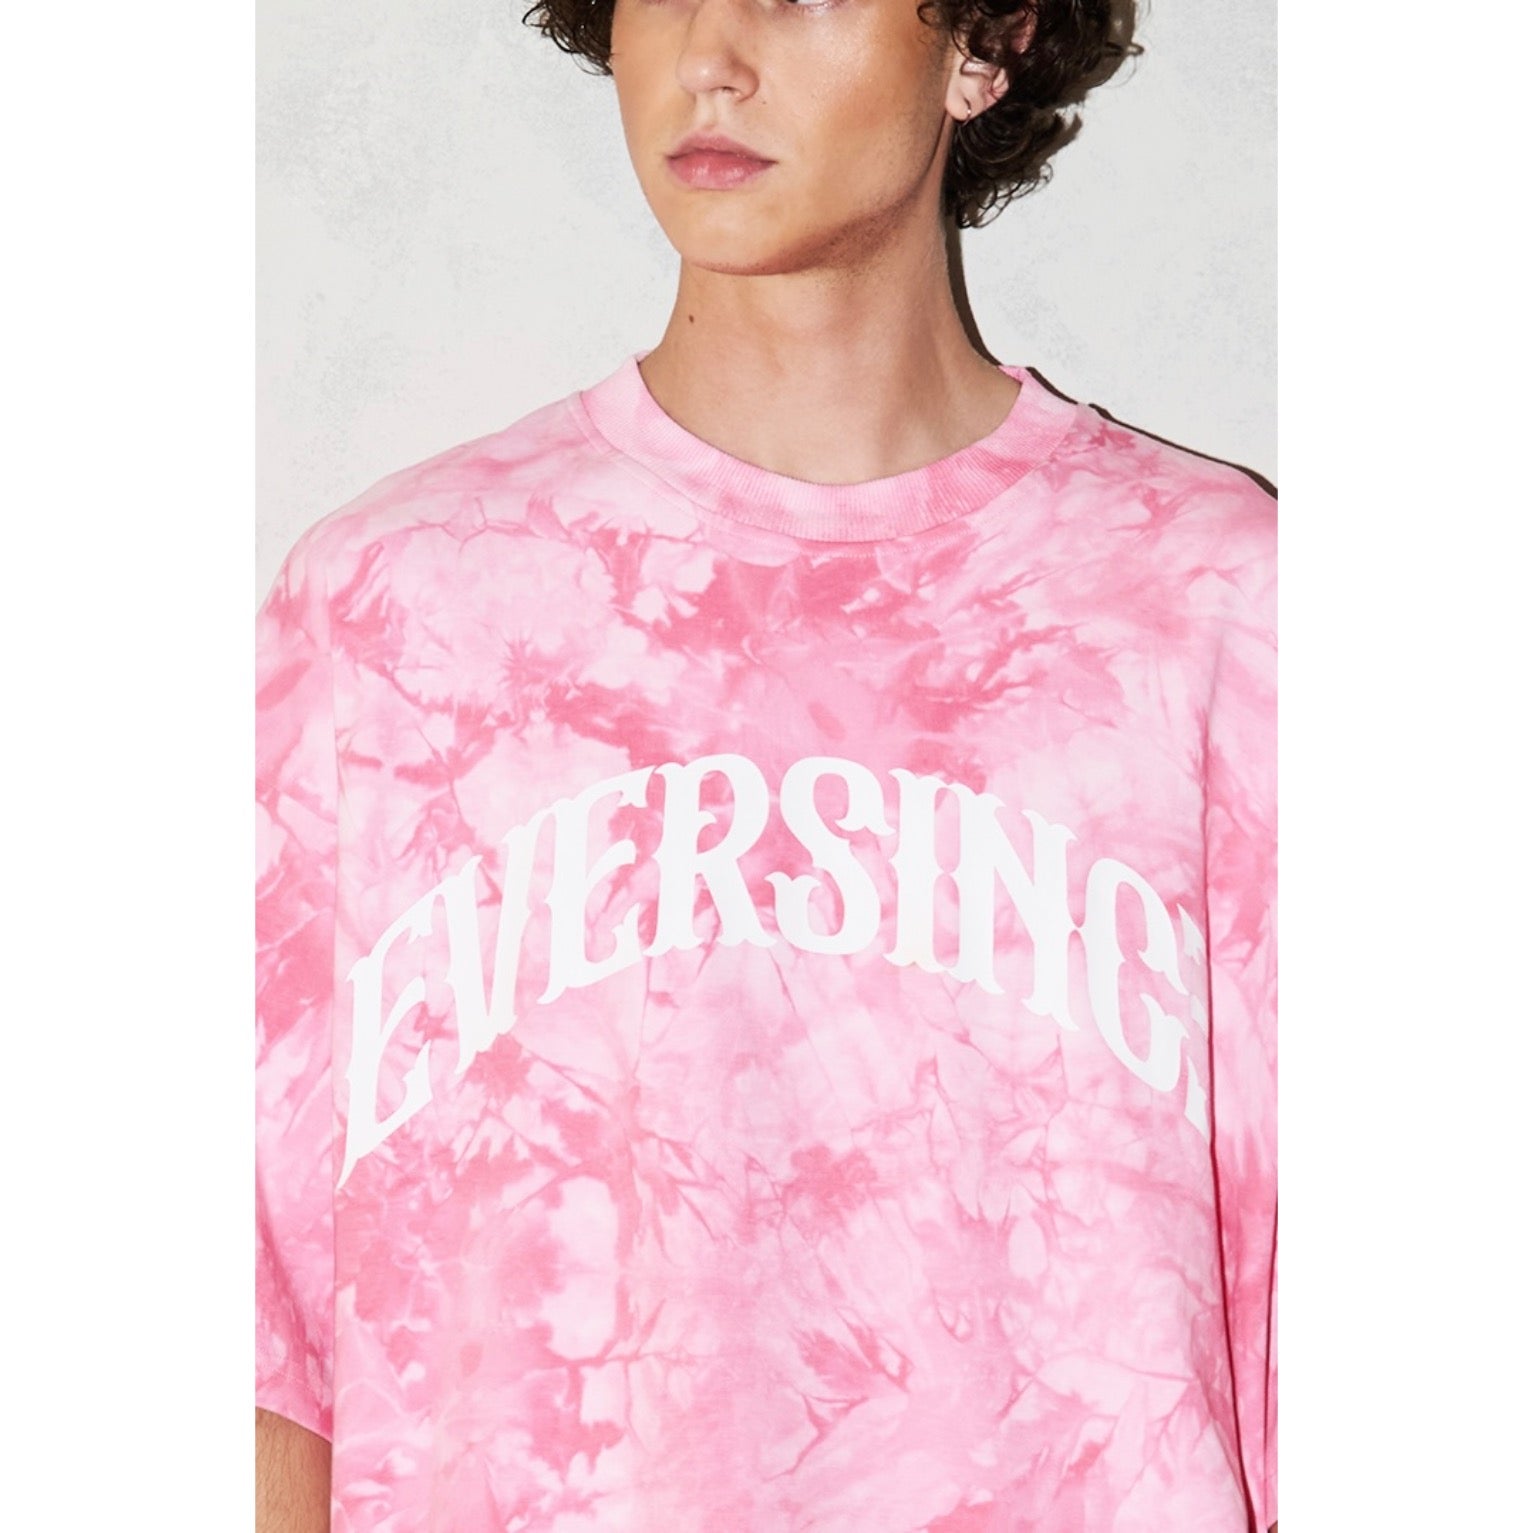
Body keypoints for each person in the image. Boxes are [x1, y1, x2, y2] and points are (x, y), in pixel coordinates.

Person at [256, 0, 1276, 1527]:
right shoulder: (398, 610)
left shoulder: (1212, 607)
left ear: (983, 43)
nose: (708, 58)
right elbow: (259, 1325)